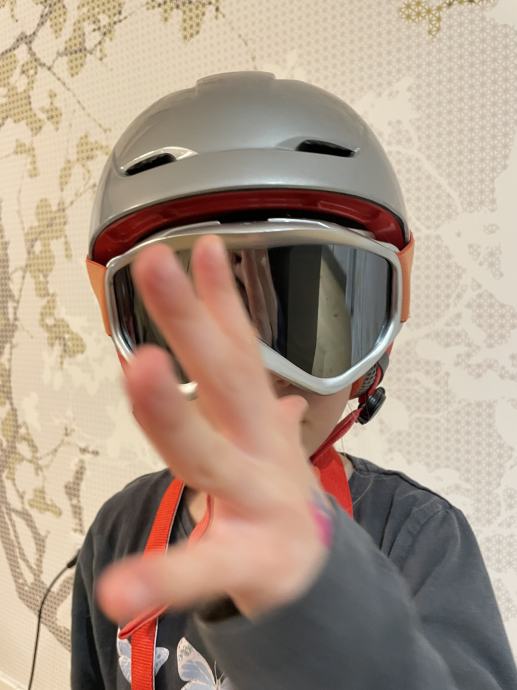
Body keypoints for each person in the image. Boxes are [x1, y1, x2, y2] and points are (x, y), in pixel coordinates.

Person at [72, 71, 517, 690]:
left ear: (378, 337)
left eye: (302, 322)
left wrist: (314, 608)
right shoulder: (119, 531)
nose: (256, 373)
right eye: (199, 317)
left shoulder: (420, 534)